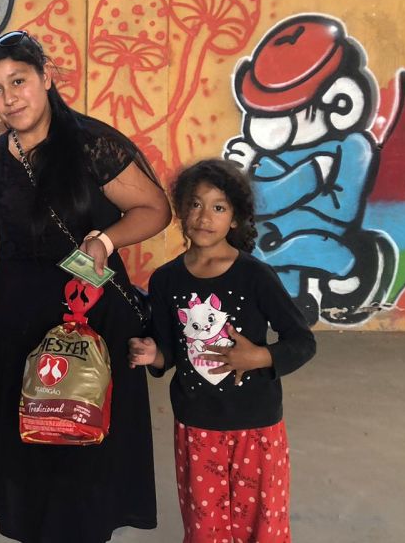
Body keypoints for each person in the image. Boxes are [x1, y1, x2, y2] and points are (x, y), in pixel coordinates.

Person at [0, 30, 171, 542]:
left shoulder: (92, 145)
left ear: (47, 77)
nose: (9, 98)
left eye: (19, 81)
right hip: (18, 329)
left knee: (88, 455)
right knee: (32, 457)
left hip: (93, 319)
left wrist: (105, 241)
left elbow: (155, 209)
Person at [129, 159, 316, 543]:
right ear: (182, 211)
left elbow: (302, 342)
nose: (204, 217)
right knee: (206, 529)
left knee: (262, 528)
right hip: (197, 426)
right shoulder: (166, 280)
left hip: (257, 427)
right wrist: (151, 353)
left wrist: (259, 356)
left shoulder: (255, 276)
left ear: (235, 219)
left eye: (218, 207)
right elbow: (169, 352)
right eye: (195, 204)